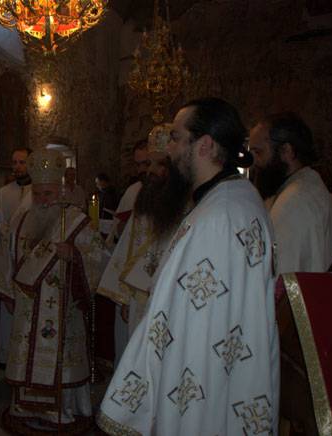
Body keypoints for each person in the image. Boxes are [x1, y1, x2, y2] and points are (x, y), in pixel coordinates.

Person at [98, 98, 280, 435]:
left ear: (205, 145)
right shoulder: (234, 198)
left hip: (203, 380)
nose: (169, 149)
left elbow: (188, 325)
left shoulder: (218, 216)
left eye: (176, 138)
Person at [0, 148, 109, 434]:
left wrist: (74, 256)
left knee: (59, 360)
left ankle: (61, 410)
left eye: (48, 194)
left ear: (60, 192)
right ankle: (25, 407)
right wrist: (9, 294)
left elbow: (99, 259)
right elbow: (7, 258)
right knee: (27, 356)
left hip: (63, 309)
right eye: (38, 194)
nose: (43, 200)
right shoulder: (21, 221)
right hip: (27, 308)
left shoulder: (76, 221)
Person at [97, 123, 188, 367]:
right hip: (139, 296)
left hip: (172, 298)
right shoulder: (144, 197)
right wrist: (125, 297)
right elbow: (127, 247)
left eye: (160, 164)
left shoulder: (190, 202)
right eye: (149, 163)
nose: (151, 171)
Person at [249, 112, 332, 273]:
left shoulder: (293, 201)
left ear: (287, 151)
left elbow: (283, 274)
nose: (254, 162)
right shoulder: (311, 186)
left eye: (259, 152)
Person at [0, 147, 32, 370]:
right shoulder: (3, 192)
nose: (17, 167)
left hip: (30, 257)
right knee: (8, 305)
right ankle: (6, 356)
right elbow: (0, 222)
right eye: (14, 162)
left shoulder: (38, 191)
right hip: (9, 255)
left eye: (22, 162)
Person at [106, 140, 150, 245]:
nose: (141, 170)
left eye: (146, 163)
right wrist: (125, 224)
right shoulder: (132, 191)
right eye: (138, 165)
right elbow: (116, 232)